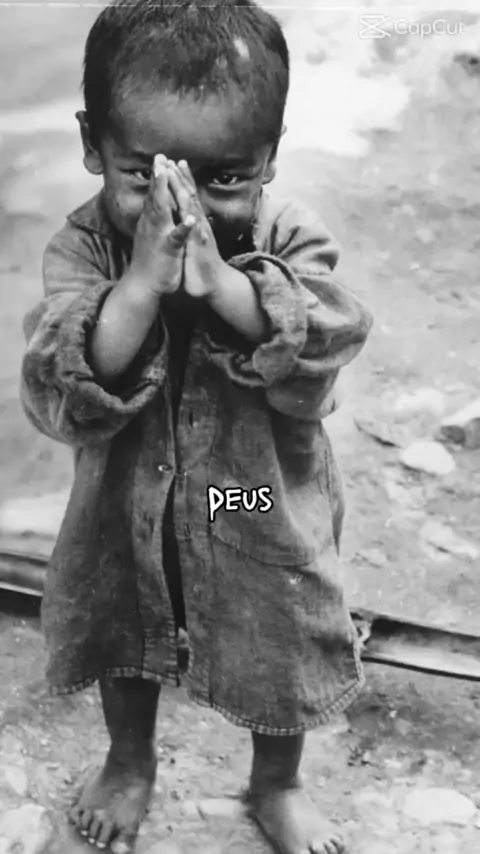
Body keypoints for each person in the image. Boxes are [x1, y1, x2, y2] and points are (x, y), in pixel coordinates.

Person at [20, 1, 373, 852]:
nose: (183, 209)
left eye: (224, 179)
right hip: (127, 495)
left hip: (250, 496)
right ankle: (129, 761)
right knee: (123, 614)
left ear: (270, 156)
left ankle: (277, 782)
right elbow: (64, 378)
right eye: (145, 176)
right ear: (92, 143)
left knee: (281, 620)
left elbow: (328, 339)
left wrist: (223, 284)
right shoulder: (85, 249)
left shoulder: (288, 234)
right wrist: (141, 284)